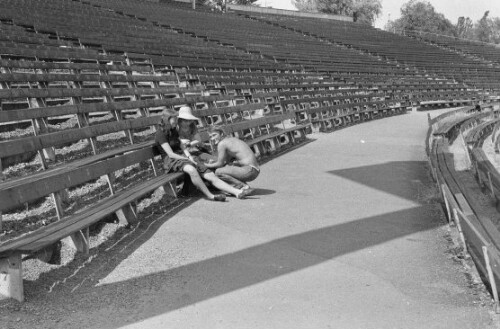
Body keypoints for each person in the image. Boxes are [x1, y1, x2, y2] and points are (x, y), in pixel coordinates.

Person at [156, 107, 252, 201]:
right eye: (174, 121)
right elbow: (171, 154)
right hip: (173, 160)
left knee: (209, 173)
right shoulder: (161, 133)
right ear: (166, 120)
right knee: (193, 168)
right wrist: (188, 158)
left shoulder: (174, 130)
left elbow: (183, 146)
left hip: (186, 155)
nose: (176, 122)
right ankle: (211, 195)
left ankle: (237, 191)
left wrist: (189, 156)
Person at [204, 125, 260, 191]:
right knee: (228, 165)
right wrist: (214, 163)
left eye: (214, 135)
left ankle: (243, 186)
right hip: (254, 170)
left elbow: (219, 164)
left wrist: (206, 165)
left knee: (218, 172)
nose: (212, 138)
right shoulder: (231, 139)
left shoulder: (222, 143)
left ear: (221, 134)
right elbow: (225, 162)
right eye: (210, 137)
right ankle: (240, 186)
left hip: (249, 171)